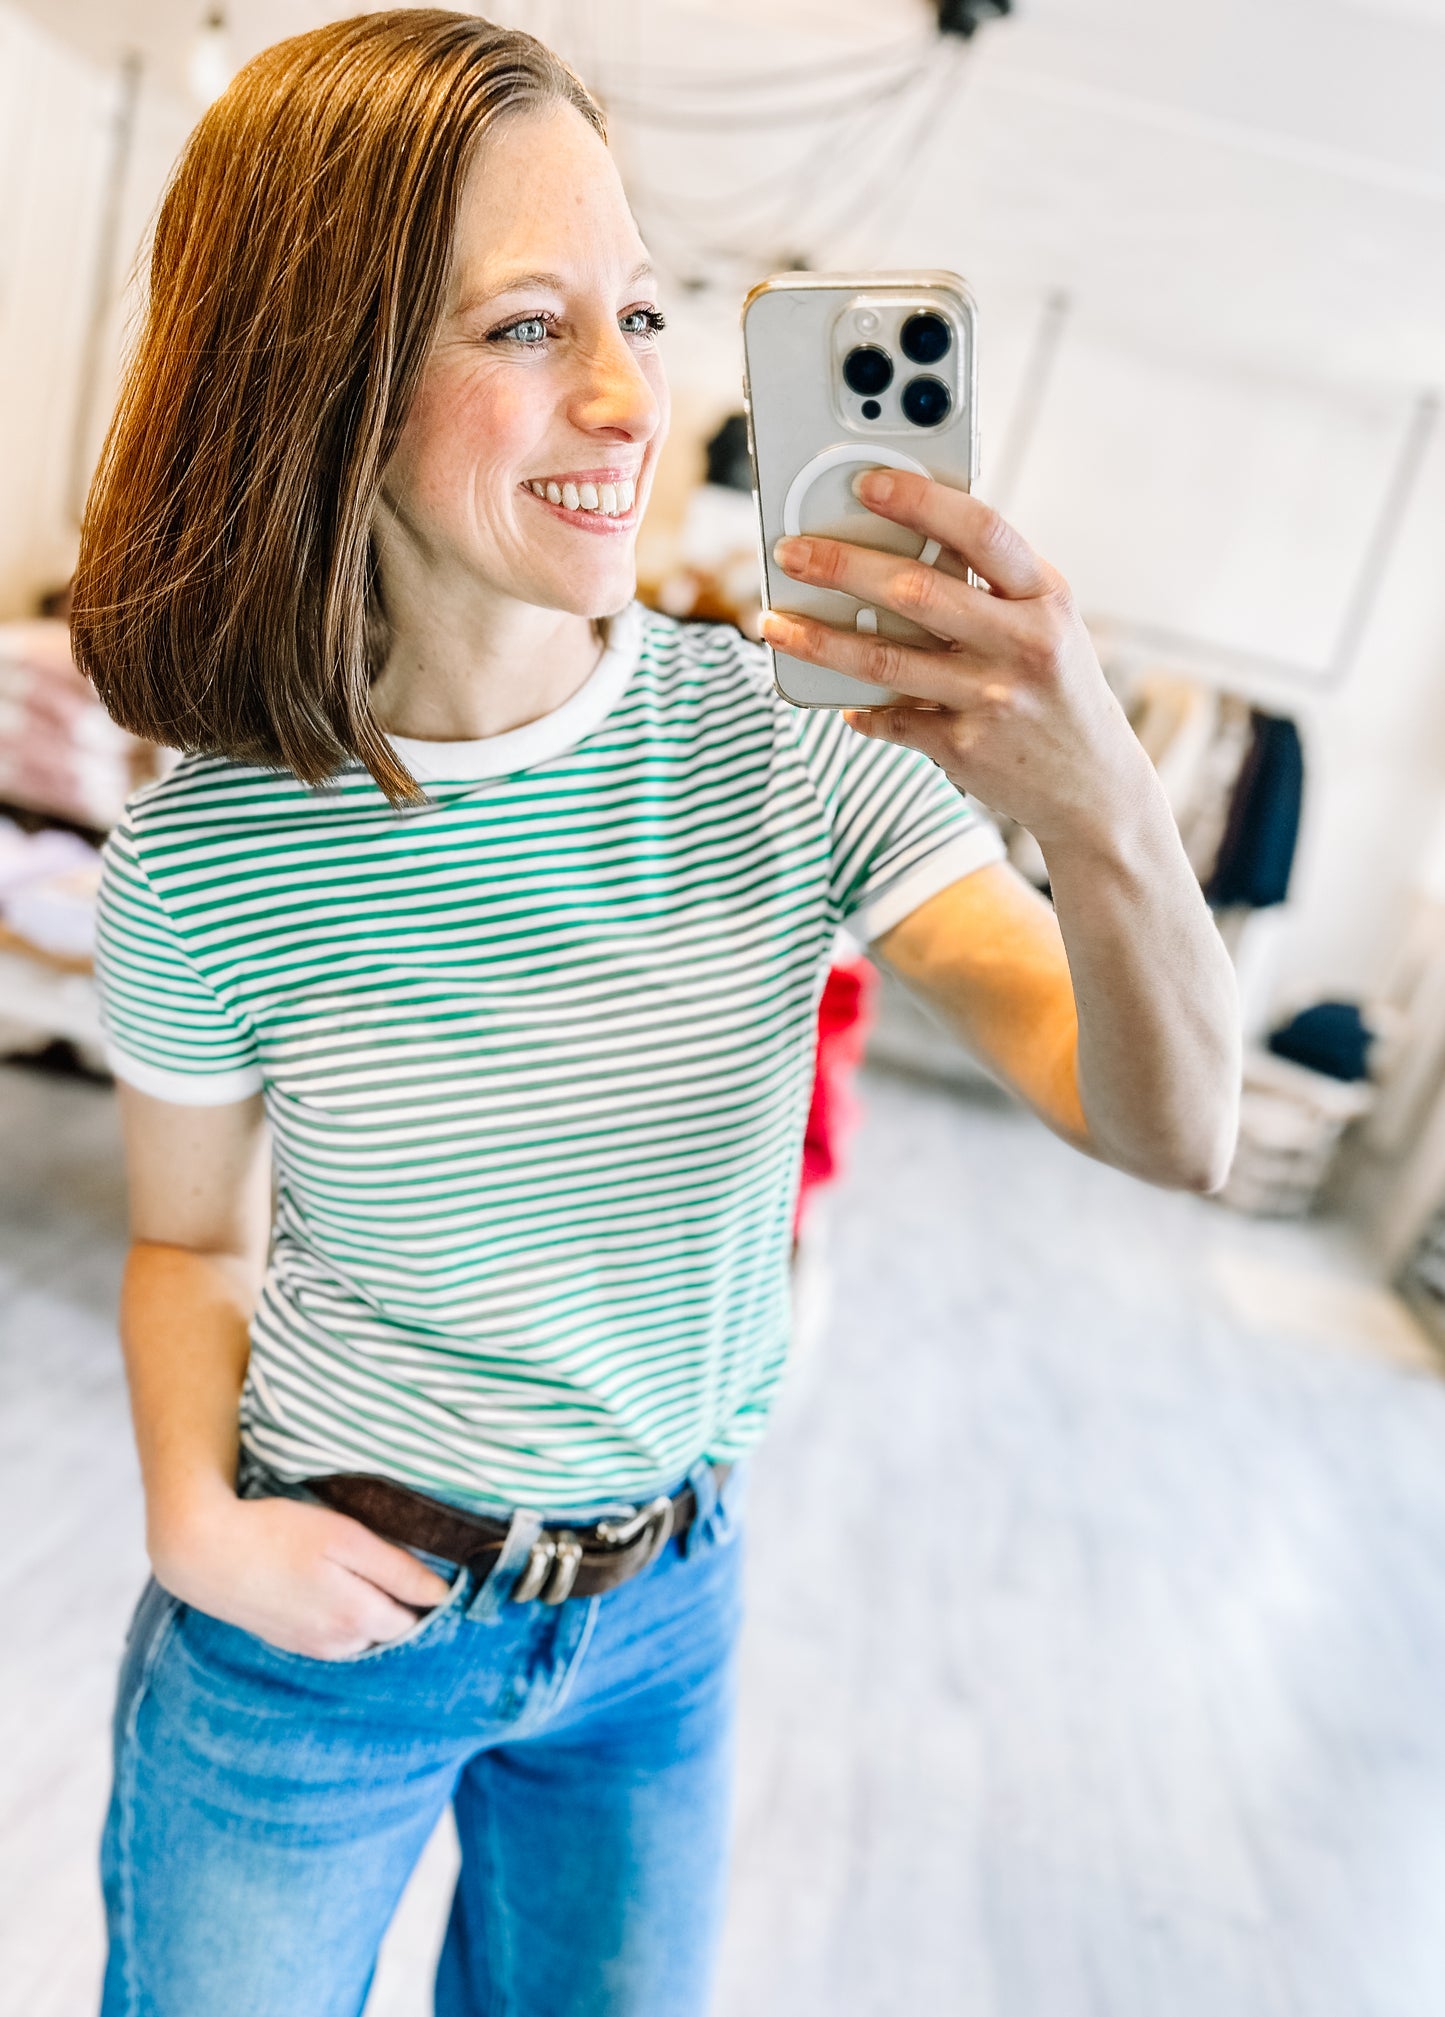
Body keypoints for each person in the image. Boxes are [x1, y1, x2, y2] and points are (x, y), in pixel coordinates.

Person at [70, 12, 1241, 2015]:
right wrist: (195, 1521)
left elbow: (1171, 1122)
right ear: (326, 377)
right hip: (315, 1628)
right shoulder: (206, 864)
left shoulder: (796, 753)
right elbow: (188, 1242)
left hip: (661, 1612)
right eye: (526, 325)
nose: (630, 398)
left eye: (640, 308)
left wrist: (1106, 808)